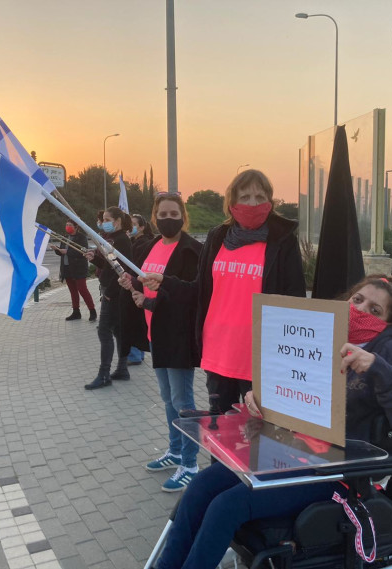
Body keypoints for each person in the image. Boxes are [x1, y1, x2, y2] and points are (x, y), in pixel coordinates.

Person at [155, 275, 392, 569]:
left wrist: (379, 370)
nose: (361, 310)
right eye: (358, 300)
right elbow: (289, 391)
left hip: (337, 472)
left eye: (375, 310)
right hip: (289, 451)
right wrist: (258, 400)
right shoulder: (319, 339)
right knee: (201, 485)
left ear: (388, 322)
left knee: (226, 506)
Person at [141, 170, 306, 414]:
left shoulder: (282, 241)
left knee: (259, 439)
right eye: (245, 196)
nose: (253, 203)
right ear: (232, 202)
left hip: (261, 360)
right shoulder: (218, 237)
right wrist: (166, 281)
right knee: (221, 436)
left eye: (260, 197)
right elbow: (200, 289)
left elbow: (295, 301)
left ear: (270, 201)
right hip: (219, 355)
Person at [121, 195, 203, 492]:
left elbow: (192, 296)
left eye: (174, 212)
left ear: (183, 215)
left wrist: (155, 300)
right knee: (168, 399)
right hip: (156, 334)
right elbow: (150, 284)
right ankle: (176, 450)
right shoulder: (152, 246)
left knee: (183, 403)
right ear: (154, 217)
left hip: (179, 337)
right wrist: (135, 287)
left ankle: (191, 464)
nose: (168, 217)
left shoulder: (193, 251)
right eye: (162, 213)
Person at [84, 207, 133, 389]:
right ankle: (122, 368)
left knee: (104, 330)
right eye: (103, 219)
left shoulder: (122, 241)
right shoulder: (113, 239)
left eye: (107, 219)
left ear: (118, 221)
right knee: (118, 331)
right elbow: (109, 265)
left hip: (115, 293)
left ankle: (104, 373)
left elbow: (122, 271)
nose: (103, 222)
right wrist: (94, 259)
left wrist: (110, 293)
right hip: (112, 291)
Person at [52, 220, 96, 321]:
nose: (67, 227)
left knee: (82, 289)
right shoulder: (65, 237)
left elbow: (82, 252)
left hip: (78, 268)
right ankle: (76, 311)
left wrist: (67, 251)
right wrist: (57, 249)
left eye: (70, 225)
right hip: (67, 267)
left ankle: (92, 310)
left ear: (76, 227)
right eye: (66, 225)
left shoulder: (81, 237)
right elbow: (62, 252)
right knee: (73, 291)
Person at [126, 214, 155, 366]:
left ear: (142, 227)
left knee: (135, 322)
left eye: (133, 224)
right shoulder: (135, 242)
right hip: (135, 284)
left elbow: (136, 266)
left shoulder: (143, 244)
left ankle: (135, 354)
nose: (130, 227)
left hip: (137, 285)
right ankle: (137, 353)